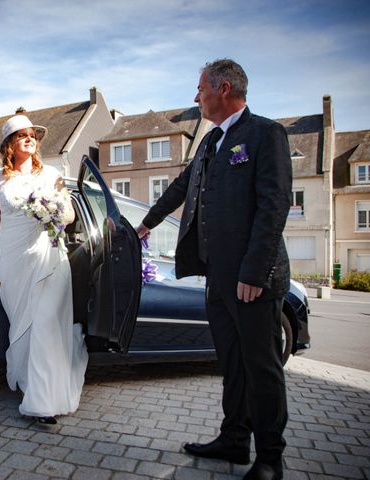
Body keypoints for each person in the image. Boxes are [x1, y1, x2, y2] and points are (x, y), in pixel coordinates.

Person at [136, 59, 292, 480]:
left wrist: (254, 273)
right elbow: (181, 187)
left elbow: (274, 205)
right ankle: (234, 439)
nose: (196, 96)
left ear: (224, 88)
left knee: (262, 366)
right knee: (233, 363)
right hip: (218, 278)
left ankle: (271, 459)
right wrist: (147, 223)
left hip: (252, 280)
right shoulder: (209, 143)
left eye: (200, 88)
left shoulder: (265, 134)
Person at [0, 113, 88, 425]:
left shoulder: (51, 174)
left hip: (50, 257)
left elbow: (69, 215)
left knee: (44, 323)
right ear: (9, 145)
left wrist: (51, 210)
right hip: (15, 261)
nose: (30, 138)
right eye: (21, 135)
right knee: (24, 328)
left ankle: (42, 402)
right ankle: (32, 384)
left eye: (33, 134)